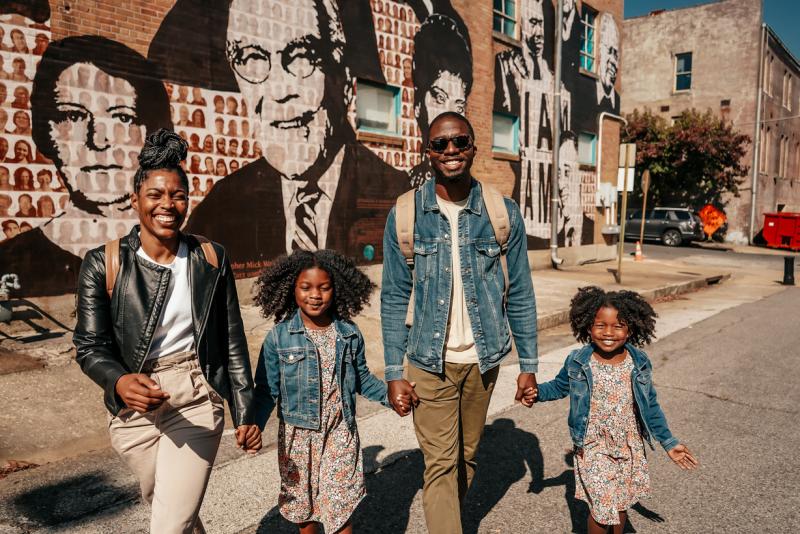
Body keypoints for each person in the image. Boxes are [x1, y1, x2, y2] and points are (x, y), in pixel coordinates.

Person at [73, 129, 262, 534]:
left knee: (168, 525)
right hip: (132, 408)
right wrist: (119, 381)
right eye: (156, 195)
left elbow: (232, 338)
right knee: (177, 513)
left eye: (177, 195)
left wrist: (244, 410)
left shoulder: (209, 258)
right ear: (135, 199)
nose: (167, 205)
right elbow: (89, 345)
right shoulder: (102, 263)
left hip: (194, 394)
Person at [381, 112, 539, 534]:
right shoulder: (405, 215)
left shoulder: (501, 213)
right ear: (427, 151)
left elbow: (520, 292)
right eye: (440, 144)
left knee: (465, 458)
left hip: (483, 362)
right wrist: (394, 372)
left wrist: (529, 365)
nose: (450, 151)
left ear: (472, 146)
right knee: (439, 465)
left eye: (458, 142)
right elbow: (394, 297)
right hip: (427, 363)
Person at [185, 0, 408, 274]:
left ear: (343, 78)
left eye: (301, 56)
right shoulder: (223, 205)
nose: (280, 92)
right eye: (252, 59)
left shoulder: (400, 196)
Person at [253, 249, 403, 534]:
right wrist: (253, 425)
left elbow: (362, 378)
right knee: (305, 510)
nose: (315, 295)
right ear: (290, 289)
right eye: (306, 287)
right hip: (298, 438)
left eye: (324, 287)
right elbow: (265, 390)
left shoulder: (348, 333)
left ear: (337, 288)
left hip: (340, 433)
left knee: (340, 507)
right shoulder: (279, 337)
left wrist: (391, 397)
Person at [536, 287, 699, 533]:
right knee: (603, 507)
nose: (609, 333)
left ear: (631, 329)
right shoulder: (578, 361)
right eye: (600, 325)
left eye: (618, 326)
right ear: (588, 327)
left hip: (629, 444)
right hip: (592, 445)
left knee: (620, 503)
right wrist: (535, 392)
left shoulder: (639, 362)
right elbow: (559, 387)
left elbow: (650, 406)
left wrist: (669, 442)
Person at [408, 13, 472, 188]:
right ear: (418, 105)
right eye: (439, 98)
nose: (449, 116)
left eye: (459, 106)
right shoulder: (403, 207)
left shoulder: (501, 209)